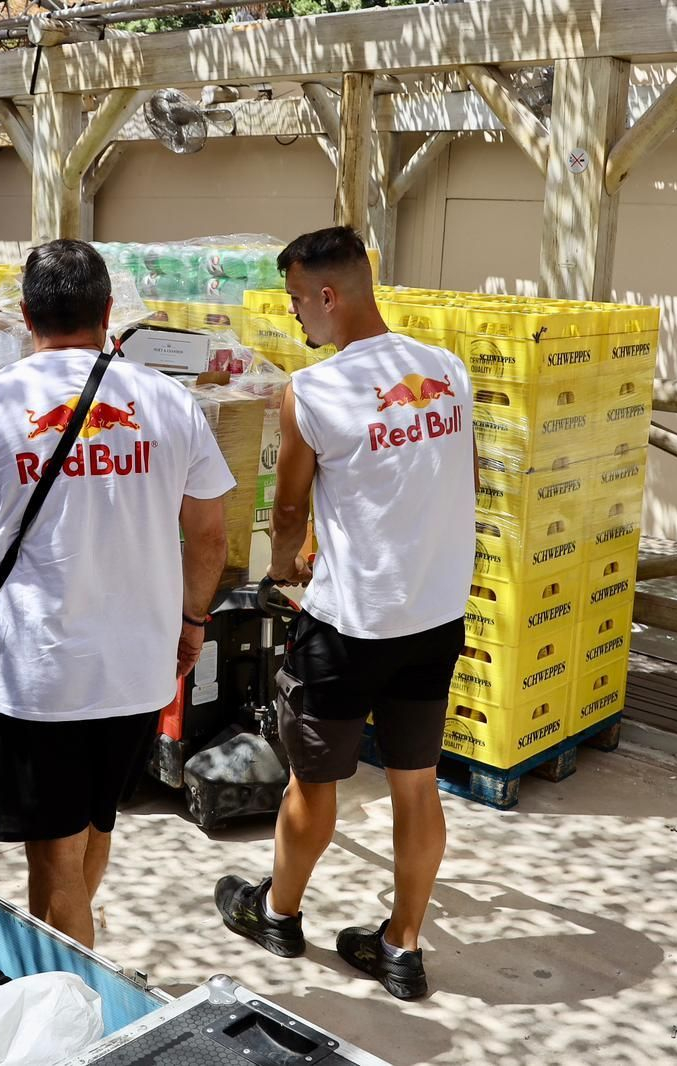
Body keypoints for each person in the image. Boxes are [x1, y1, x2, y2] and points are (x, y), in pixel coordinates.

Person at [0, 239, 235, 948]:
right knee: (94, 823)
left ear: (26, 315)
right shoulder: (168, 401)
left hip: (41, 674)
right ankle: (77, 945)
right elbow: (211, 536)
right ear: (109, 313)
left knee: (53, 860)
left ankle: (70, 1001)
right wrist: (192, 622)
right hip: (139, 668)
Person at [214, 226, 477, 1000]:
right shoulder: (449, 370)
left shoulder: (315, 391)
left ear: (328, 296)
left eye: (298, 301)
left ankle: (278, 913)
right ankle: (402, 947)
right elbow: (450, 478)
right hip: (433, 617)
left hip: (349, 627)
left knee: (313, 784)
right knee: (415, 783)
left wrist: (284, 566)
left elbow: (289, 509)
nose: (297, 317)